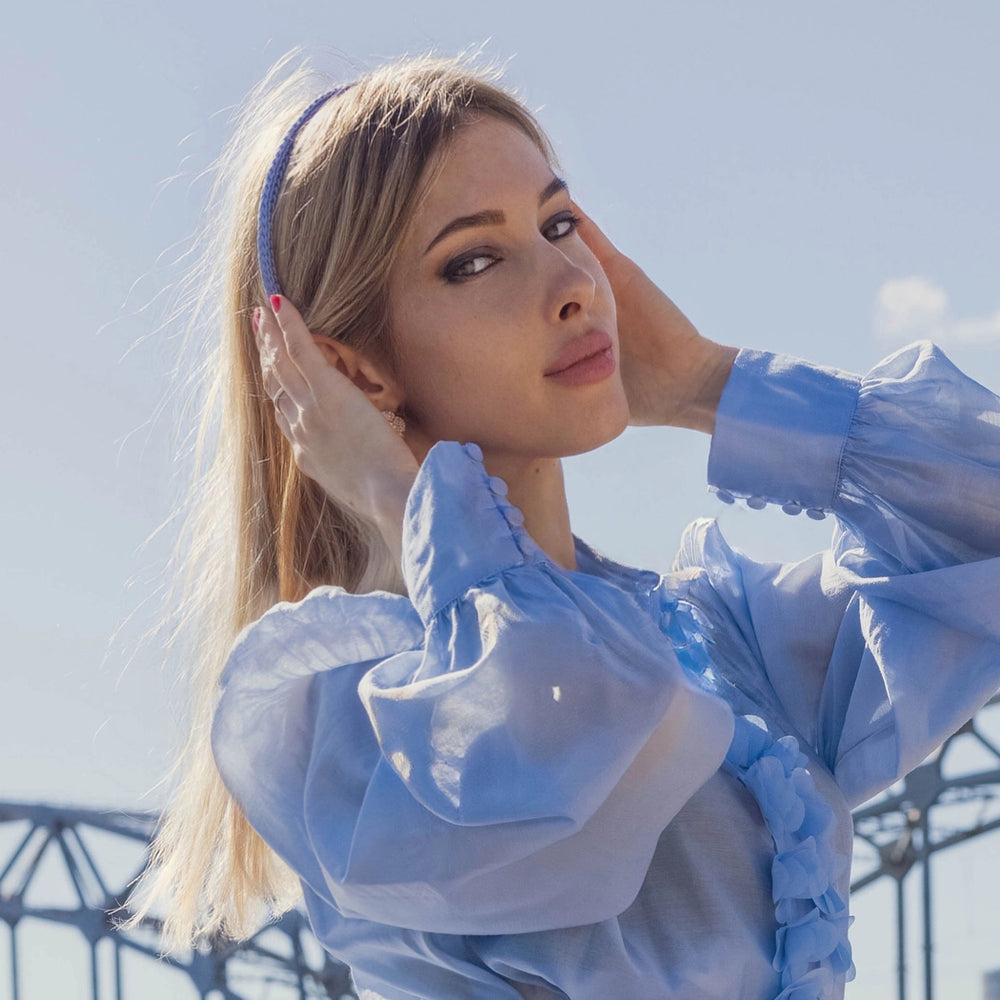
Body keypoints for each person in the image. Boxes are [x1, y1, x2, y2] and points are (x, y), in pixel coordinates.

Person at [129, 52, 1000, 1000]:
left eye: (558, 225)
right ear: (356, 373)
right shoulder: (367, 716)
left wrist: (709, 383)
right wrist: (402, 502)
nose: (574, 284)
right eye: (474, 259)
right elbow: (551, 740)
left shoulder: (715, 642)